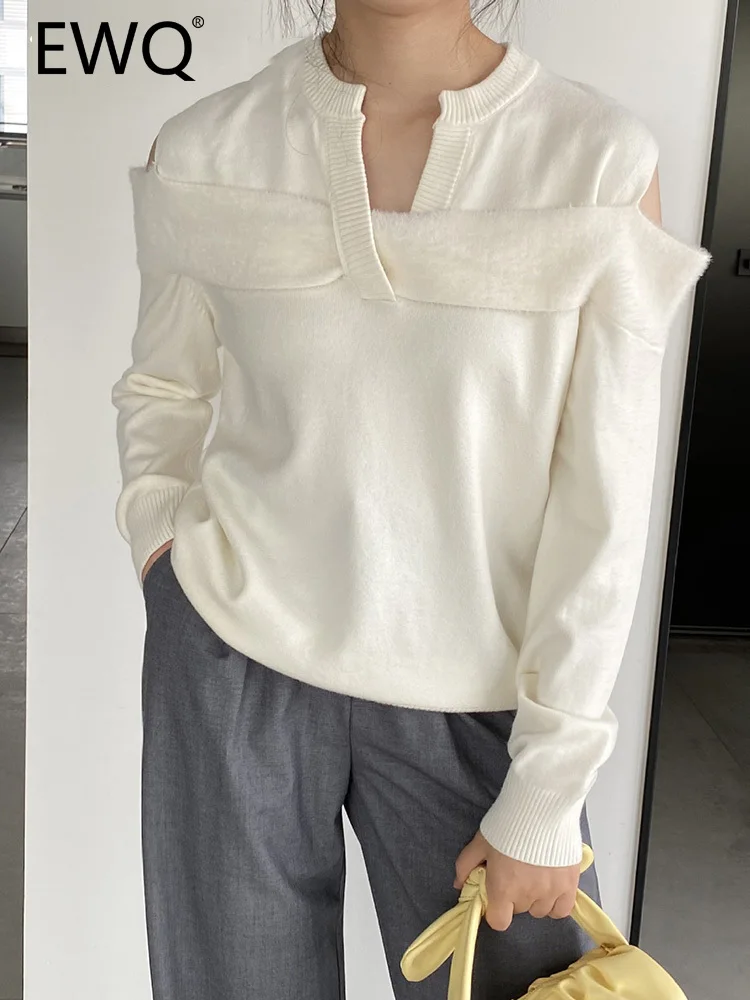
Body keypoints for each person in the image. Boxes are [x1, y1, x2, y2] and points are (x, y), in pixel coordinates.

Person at [111, 4, 709, 999]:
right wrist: (161, 549)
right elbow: (163, 388)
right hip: (232, 662)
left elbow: (601, 501)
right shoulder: (209, 146)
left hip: (479, 693)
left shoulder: (594, 159)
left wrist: (550, 785)